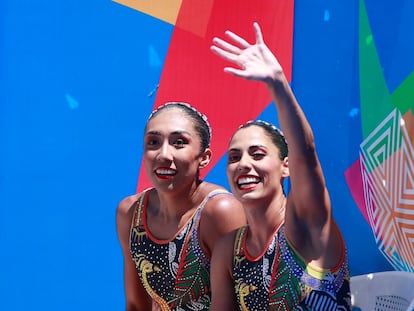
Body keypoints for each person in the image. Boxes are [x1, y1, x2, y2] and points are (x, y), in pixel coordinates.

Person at [209, 22, 351, 310]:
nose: (243, 164)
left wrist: (278, 85)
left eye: (258, 154)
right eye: (234, 157)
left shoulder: (307, 224)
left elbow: (306, 154)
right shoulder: (228, 250)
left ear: (286, 167)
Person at [116, 102, 246, 310]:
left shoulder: (220, 211)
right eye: (154, 142)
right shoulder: (130, 212)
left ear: (204, 158)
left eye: (179, 142)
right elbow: (136, 305)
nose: (164, 155)